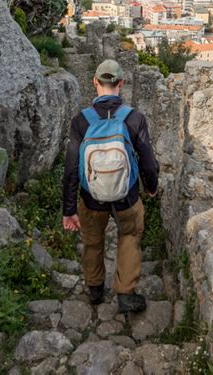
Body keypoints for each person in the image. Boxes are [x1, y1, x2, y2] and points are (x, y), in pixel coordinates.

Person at [63, 59, 159, 313]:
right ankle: (126, 294)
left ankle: (95, 289)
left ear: (95, 82)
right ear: (121, 84)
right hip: (127, 197)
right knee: (129, 237)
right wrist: (151, 186)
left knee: (93, 241)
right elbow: (148, 161)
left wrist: (69, 209)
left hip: (91, 198)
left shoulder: (80, 121)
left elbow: (71, 168)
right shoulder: (135, 118)